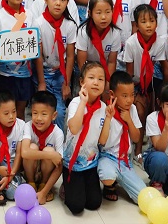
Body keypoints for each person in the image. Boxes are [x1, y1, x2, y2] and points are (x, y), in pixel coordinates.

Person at [95, 71, 146, 204]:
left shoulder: (132, 110)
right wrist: (108, 118)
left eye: (132, 95)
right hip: (107, 156)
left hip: (124, 160)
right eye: (124, 96)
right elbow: (102, 141)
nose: (129, 100)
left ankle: (120, 178)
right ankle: (110, 185)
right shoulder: (104, 110)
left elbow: (136, 138)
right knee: (107, 176)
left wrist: (129, 120)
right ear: (112, 94)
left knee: (142, 196)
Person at [62, 61, 106, 213]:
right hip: (72, 162)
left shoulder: (104, 107)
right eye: (91, 78)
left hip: (90, 162)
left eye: (101, 79)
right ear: (82, 82)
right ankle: (66, 186)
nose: (96, 82)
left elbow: (102, 141)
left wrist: (108, 118)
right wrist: (83, 102)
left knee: (94, 203)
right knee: (76, 206)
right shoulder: (75, 103)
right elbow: (74, 129)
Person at [33, 0, 77, 131]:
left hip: (60, 74)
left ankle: (57, 142)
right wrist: (41, 82)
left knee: (59, 113)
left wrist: (66, 83)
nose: (58, 3)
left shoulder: (70, 25)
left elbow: (70, 56)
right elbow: (38, 56)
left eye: (63, 0)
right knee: (43, 111)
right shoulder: (38, 23)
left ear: (67, 2)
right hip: (42, 73)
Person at [0, 0, 33, 118]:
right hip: (3, 73)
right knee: (4, 111)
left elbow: (34, 41)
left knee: (20, 112)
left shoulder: (29, 14)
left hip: (24, 73)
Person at [122, 4, 165, 122]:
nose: (149, 25)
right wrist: (134, 93)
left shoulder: (160, 43)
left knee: (152, 109)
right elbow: (129, 73)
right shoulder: (131, 43)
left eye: (152, 21)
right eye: (144, 22)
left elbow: (155, 66)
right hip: (132, 80)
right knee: (139, 111)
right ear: (136, 25)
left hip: (147, 79)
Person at [21, 90, 63, 204]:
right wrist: (50, 155)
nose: (38, 118)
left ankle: (43, 186)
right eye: (35, 113)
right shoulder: (28, 126)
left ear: (54, 116)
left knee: (49, 150)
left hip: (47, 172)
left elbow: (59, 166)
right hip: (31, 170)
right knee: (32, 147)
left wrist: (44, 192)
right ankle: (31, 183)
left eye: (44, 114)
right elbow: (24, 152)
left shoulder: (57, 133)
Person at [75, 0, 123, 85]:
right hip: (85, 70)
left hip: (104, 70)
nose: (104, 17)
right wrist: (88, 82)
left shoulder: (115, 33)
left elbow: (111, 62)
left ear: (112, 11)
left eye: (107, 12)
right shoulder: (83, 32)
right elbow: (81, 63)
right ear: (90, 13)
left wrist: (107, 83)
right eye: (98, 13)